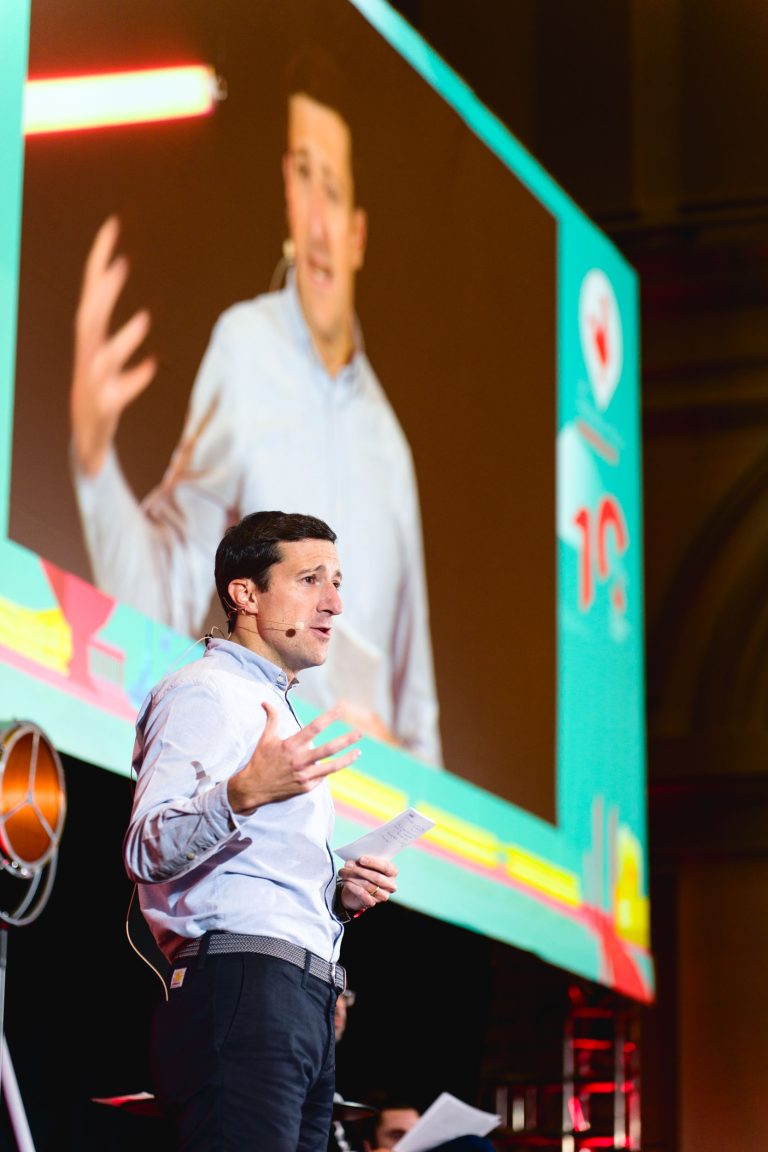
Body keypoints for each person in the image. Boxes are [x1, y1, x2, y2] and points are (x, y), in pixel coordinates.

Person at [69, 45, 442, 766]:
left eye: (335, 190)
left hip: (349, 823)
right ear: (286, 194)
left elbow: (418, 713)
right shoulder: (244, 348)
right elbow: (163, 589)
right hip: (242, 779)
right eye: (304, 176)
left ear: (360, 231)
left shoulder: (390, 449)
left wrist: (402, 786)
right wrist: (93, 460)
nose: (319, 224)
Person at [123, 509, 399, 1152]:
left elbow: (251, 874)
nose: (334, 603)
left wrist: (337, 892)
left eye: (337, 582)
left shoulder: (270, 701)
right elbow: (145, 846)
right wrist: (242, 793)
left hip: (301, 995)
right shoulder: (205, 692)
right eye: (309, 580)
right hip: (245, 988)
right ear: (245, 594)